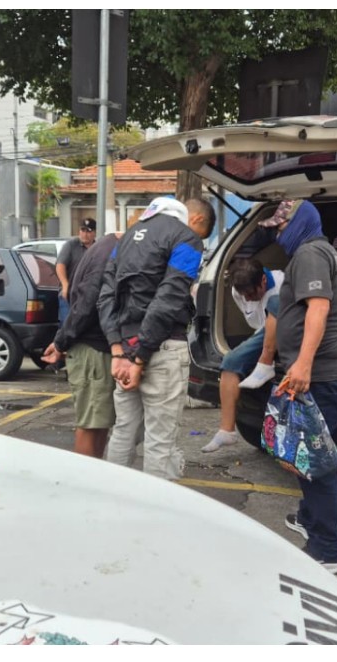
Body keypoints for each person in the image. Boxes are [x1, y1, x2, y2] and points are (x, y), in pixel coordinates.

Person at [259, 199, 337, 575]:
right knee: (305, 455)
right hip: (324, 372)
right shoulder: (319, 252)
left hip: (320, 375)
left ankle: (327, 550)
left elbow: (318, 308)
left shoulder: (311, 253)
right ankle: (308, 518)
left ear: (299, 223)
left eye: (281, 227)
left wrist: (302, 364)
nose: (277, 234)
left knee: (315, 464)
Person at [98, 196, 215, 479]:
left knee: (124, 431)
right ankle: (157, 520)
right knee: (160, 441)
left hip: (124, 350)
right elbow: (169, 298)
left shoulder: (124, 240)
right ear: (192, 218)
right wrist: (141, 357)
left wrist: (118, 350)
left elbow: (105, 296)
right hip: (159, 351)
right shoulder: (187, 239)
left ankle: (112, 502)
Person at [41, 225, 127, 459]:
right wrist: (61, 343)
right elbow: (87, 303)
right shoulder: (109, 251)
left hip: (95, 349)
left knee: (100, 424)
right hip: (92, 350)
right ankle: (83, 485)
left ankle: (93, 480)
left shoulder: (106, 247)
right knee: (91, 425)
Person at [200, 256, 283, 452]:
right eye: (242, 295)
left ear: (263, 281)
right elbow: (255, 323)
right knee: (230, 362)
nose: (246, 299)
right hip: (262, 334)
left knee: (276, 304)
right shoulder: (239, 291)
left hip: (287, 332)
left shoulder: (282, 284)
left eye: (251, 294)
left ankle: (265, 364)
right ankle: (226, 431)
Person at [56, 218, 98, 323]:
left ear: (94, 233)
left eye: (88, 231)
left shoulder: (97, 248)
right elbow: (60, 265)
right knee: (67, 325)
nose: (85, 234)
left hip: (88, 296)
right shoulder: (71, 245)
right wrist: (65, 285)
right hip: (69, 294)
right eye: (82, 230)